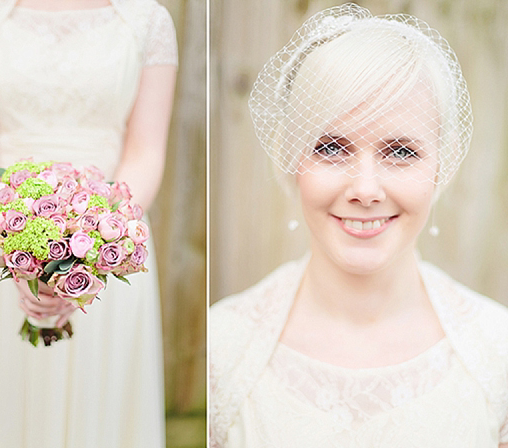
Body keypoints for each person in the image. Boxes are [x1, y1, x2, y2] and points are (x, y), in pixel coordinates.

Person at [210, 4, 508, 447]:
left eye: (401, 151)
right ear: (292, 159)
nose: (365, 189)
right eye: (331, 147)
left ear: (441, 166)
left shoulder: (498, 353)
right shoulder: (224, 348)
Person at [0, 0, 177, 446]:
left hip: (108, 243)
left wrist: (94, 252)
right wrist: (9, 241)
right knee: (3, 396)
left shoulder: (147, 21)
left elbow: (146, 152)